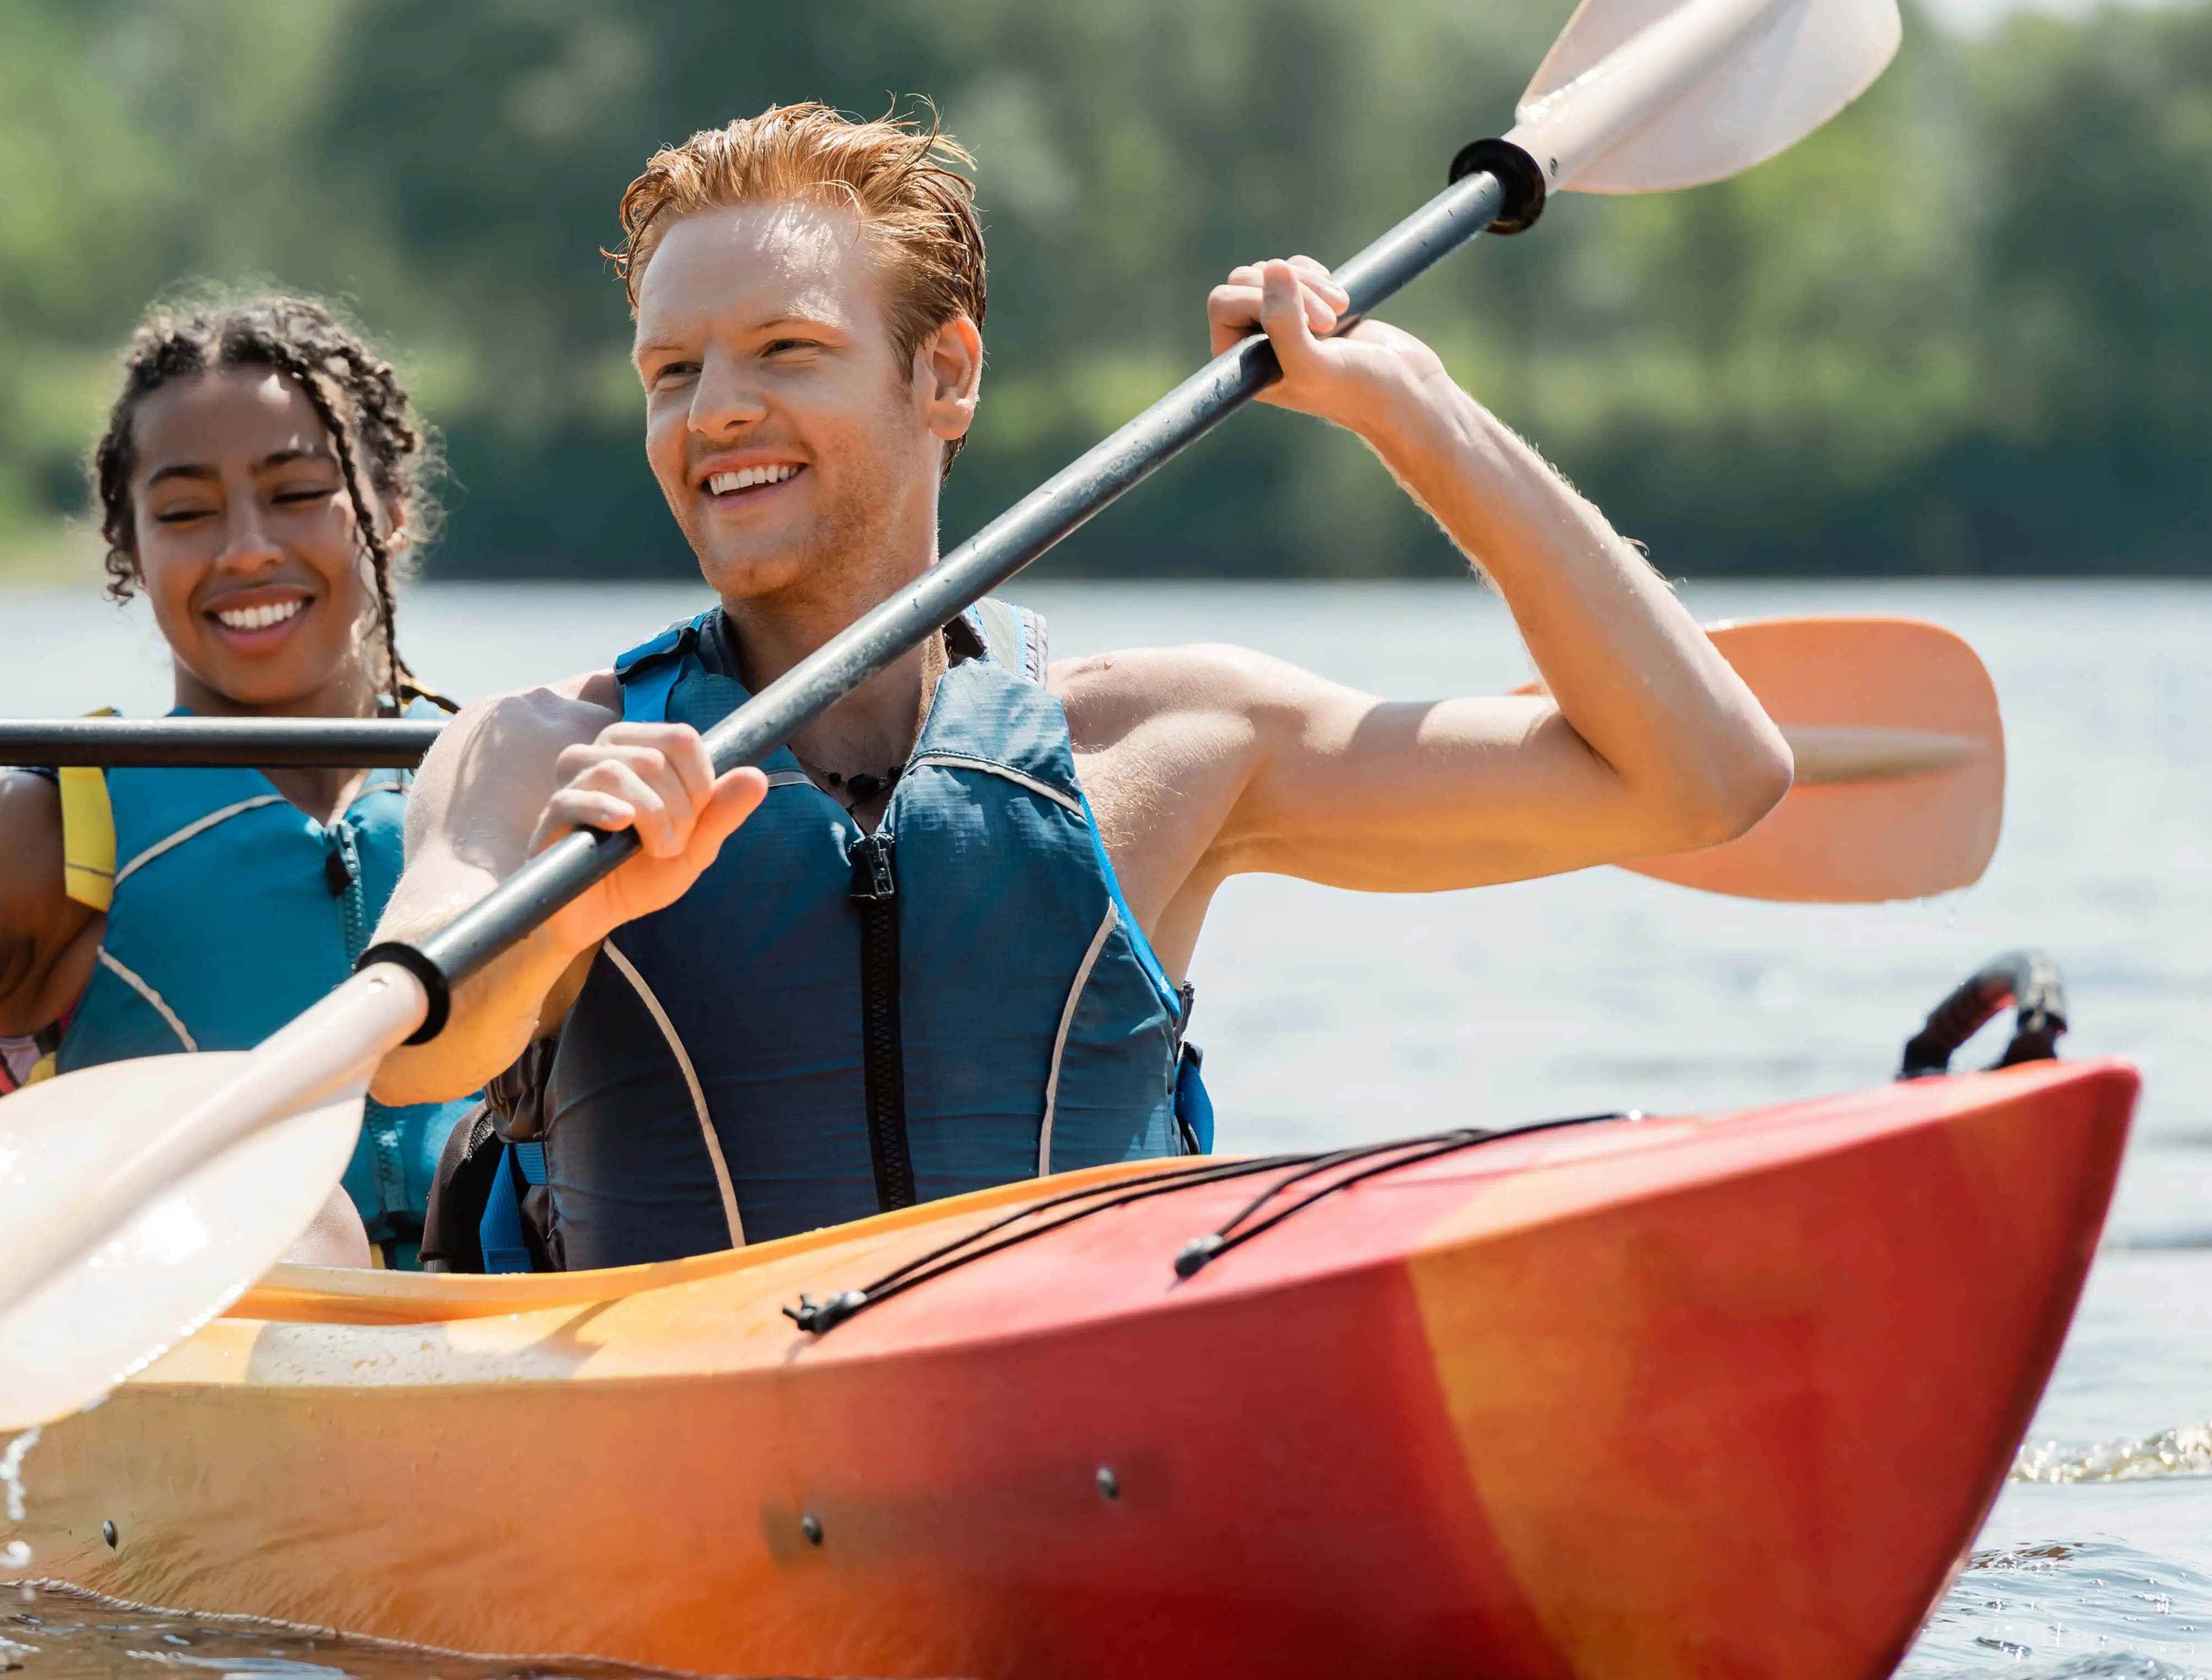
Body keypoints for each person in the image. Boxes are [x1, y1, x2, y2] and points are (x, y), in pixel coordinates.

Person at [373, 102, 1792, 1271]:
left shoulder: (1171, 738)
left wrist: (1412, 409)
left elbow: (1704, 778)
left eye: (783, 350)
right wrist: (570, 911)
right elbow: (413, 1052)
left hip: (1079, 1441)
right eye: (668, 371)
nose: (714, 408)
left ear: (945, 376)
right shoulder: (542, 752)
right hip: (672, 1459)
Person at [0, 293, 475, 1265]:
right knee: (303, 1230)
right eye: (184, 512)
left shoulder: (494, 782)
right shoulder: (40, 828)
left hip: (472, 1300)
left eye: (297, 494)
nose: (246, 547)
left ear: (390, 510)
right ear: (128, 549)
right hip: (175, 1318)